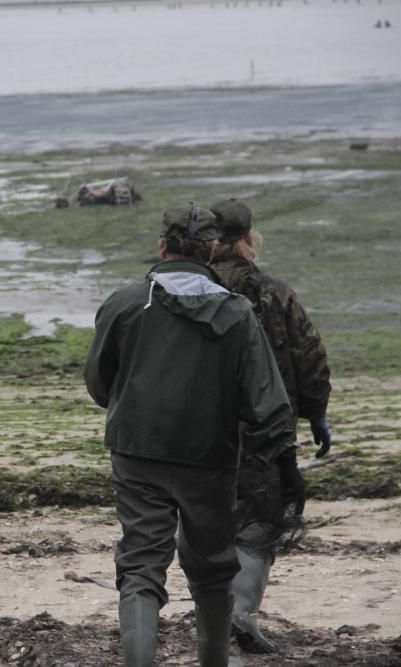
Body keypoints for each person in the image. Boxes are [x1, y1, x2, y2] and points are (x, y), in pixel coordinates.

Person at [84, 203, 295, 667]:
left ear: (162, 246)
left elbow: (99, 385)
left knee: (140, 566)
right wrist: (278, 463)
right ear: (212, 250)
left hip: (137, 452)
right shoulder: (237, 314)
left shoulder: (124, 303)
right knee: (213, 570)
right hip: (210, 458)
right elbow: (269, 405)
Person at [209, 198, 332, 653]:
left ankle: (213, 610)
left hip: (199, 429)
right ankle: (241, 613)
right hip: (264, 428)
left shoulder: (187, 293)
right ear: (248, 239)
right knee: (259, 522)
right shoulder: (273, 293)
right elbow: (309, 356)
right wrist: (317, 413)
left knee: (203, 518)